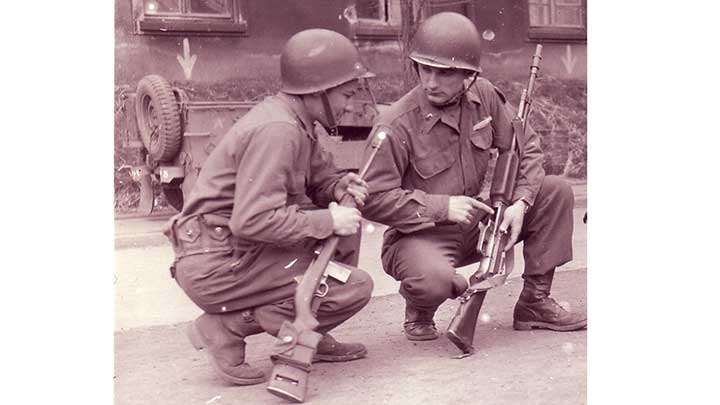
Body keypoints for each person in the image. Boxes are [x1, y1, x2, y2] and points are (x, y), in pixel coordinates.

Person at [163, 29, 375, 385]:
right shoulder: (278, 130)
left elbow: (319, 180)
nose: (349, 104)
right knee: (352, 285)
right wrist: (326, 219)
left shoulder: (298, 123)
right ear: (317, 91)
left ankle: (305, 332)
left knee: (345, 229)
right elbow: (253, 220)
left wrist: (340, 186)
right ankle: (225, 327)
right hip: (218, 263)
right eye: (346, 93)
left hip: (238, 253)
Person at [360, 12, 587, 342]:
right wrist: (443, 208)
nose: (431, 81)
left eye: (445, 72)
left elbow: (527, 147)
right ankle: (420, 309)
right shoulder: (396, 124)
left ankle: (534, 303)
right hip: (420, 235)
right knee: (433, 279)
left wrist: (520, 203)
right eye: (425, 68)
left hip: (477, 224)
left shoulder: (485, 97)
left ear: (468, 75)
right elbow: (371, 197)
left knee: (554, 191)